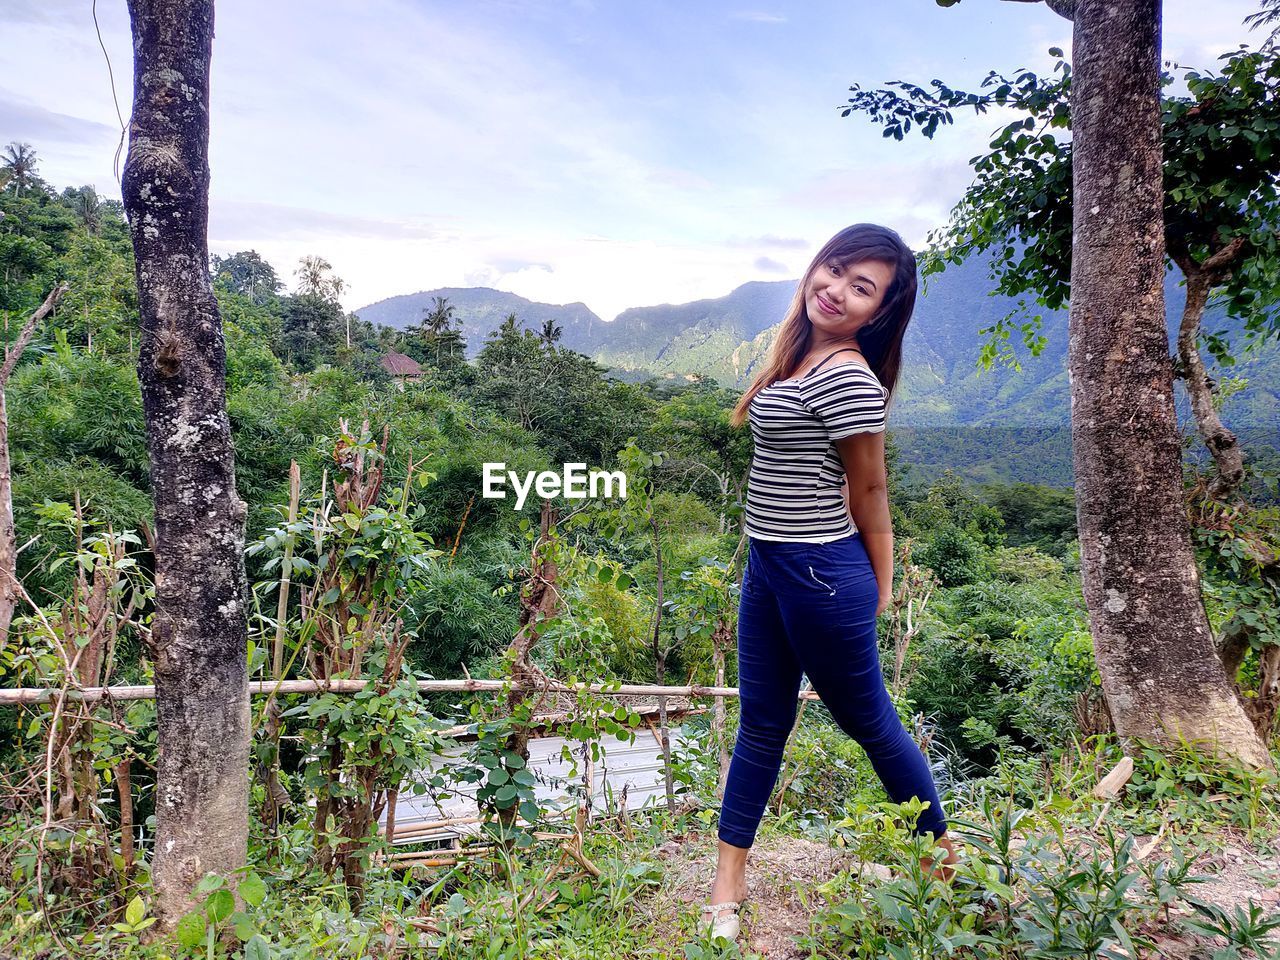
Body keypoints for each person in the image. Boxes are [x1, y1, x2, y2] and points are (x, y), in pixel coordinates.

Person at [701, 223, 958, 941]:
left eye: (861, 287)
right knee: (761, 723)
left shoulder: (846, 374)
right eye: (836, 269)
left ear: (879, 312)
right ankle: (727, 885)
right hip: (770, 566)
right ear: (817, 265)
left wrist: (880, 584)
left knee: (868, 722)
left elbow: (870, 491)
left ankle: (945, 865)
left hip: (820, 573)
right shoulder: (796, 356)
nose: (837, 290)